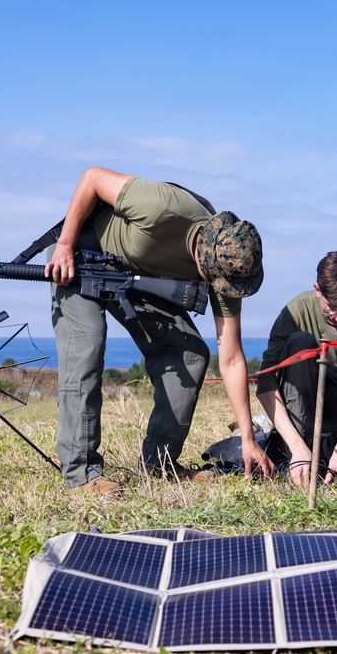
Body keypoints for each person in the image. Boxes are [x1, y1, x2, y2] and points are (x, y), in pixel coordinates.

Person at [46, 167, 274, 494]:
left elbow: (232, 358)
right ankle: (82, 474)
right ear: (203, 258)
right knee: (87, 347)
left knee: (190, 354)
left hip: (136, 277)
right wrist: (65, 244)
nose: (220, 288)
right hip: (79, 260)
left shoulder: (229, 270)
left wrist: (248, 438)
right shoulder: (164, 208)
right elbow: (92, 178)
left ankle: (160, 465)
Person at [256, 251, 337, 487]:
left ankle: (329, 450)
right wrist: (297, 447)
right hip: (303, 400)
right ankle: (300, 456)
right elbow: (266, 380)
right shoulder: (295, 311)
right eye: (330, 309)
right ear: (317, 290)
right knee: (299, 342)